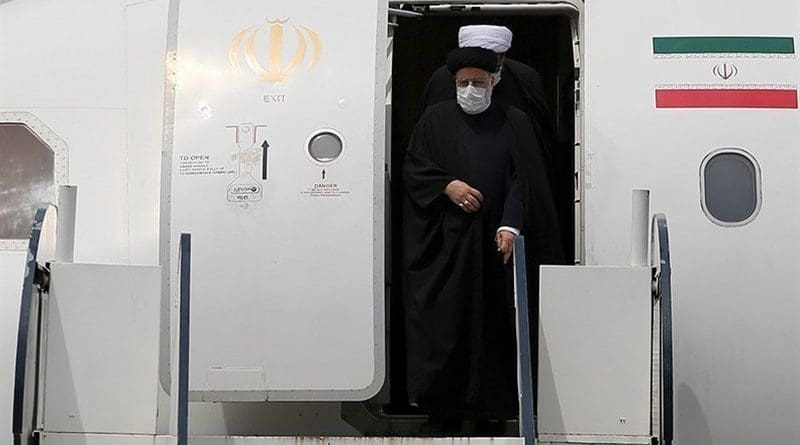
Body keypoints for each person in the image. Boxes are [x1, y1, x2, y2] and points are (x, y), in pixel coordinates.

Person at [403, 46, 563, 434]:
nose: (470, 89)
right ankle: (442, 412)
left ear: (494, 82)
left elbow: (521, 180)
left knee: (496, 328)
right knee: (446, 325)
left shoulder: (514, 121)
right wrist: (447, 186)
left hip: (497, 249)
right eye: (463, 83)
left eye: (478, 82)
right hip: (448, 247)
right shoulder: (434, 119)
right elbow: (415, 166)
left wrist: (510, 226)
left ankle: (494, 412)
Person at [418, 25, 556, 169]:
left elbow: (539, 139)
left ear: (502, 57)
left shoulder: (524, 78)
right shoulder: (442, 79)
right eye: (464, 82)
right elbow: (427, 140)